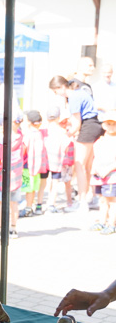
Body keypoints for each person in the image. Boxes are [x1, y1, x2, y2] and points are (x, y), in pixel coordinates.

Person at [50, 75, 103, 212]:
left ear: (62, 87)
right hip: (95, 125)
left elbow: (77, 123)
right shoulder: (81, 93)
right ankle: (92, 197)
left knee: (79, 164)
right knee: (88, 166)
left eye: (55, 91)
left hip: (87, 127)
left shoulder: (73, 97)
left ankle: (82, 201)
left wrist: (67, 134)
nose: (56, 94)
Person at [0, 115, 25, 241]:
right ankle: (13, 229)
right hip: (17, 177)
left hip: (4, 178)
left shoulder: (3, 140)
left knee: (1, 204)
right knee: (14, 203)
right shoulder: (20, 137)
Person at [43, 107, 74, 213]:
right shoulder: (62, 131)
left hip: (47, 160)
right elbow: (67, 144)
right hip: (60, 160)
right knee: (62, 182)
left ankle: (46, 203)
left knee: (49, 182)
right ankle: (53, 204)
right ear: (58, 117)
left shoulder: (45, 130)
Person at [90, 110, 116, 234]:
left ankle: (112, 224)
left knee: (112, 201)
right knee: (102, 200)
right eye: (108, 124)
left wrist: (108, 169)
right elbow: (95, 157)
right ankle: (102, 221)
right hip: (99, 175)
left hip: (112, 176)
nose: (111, 127)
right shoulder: (100, 141)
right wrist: (94, 169)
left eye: (114, 124)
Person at [20, 110, 47, 217]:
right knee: (33, 188)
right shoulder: (40, 134)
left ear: (28, 122)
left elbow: (24, 149)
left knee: (28, 188)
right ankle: (30, 206)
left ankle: (28, 208)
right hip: (38, 166)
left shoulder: (28, 135)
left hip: (27, 166)